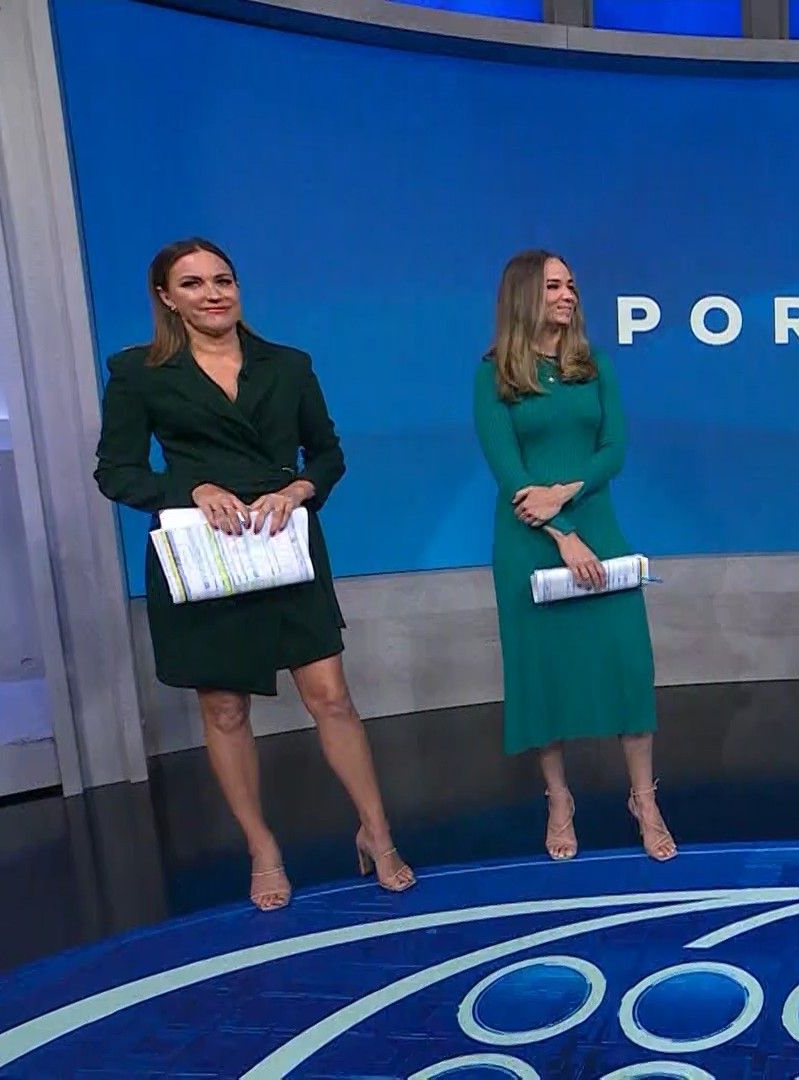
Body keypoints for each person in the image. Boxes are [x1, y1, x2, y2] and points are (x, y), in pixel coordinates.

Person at [93, 237, 416, 911]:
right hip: (203, 554)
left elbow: (327, 454)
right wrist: (188, 492)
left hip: (282, 542)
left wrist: (299, 489)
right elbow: (116, 471)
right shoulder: (138, 373)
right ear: (166, 298)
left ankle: (376, 831)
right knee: (224, 708)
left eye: (223, 280)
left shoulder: (289, 365)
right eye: (193, 284)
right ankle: (262, 849)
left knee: (331, 696)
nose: (213, 294)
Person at [471, 248, 675, 863]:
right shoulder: (494, 375)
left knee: (627, 664)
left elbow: (614, 449)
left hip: (597, 523)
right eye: (554, 286)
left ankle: (644, 799)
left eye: (571, 286)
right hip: (529, 538)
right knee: (544, 672)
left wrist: (567, 493)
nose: (568, 296)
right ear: (523, 295)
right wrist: (561, 533)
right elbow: (510, 473)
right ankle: (559, 799)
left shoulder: (593, 365)